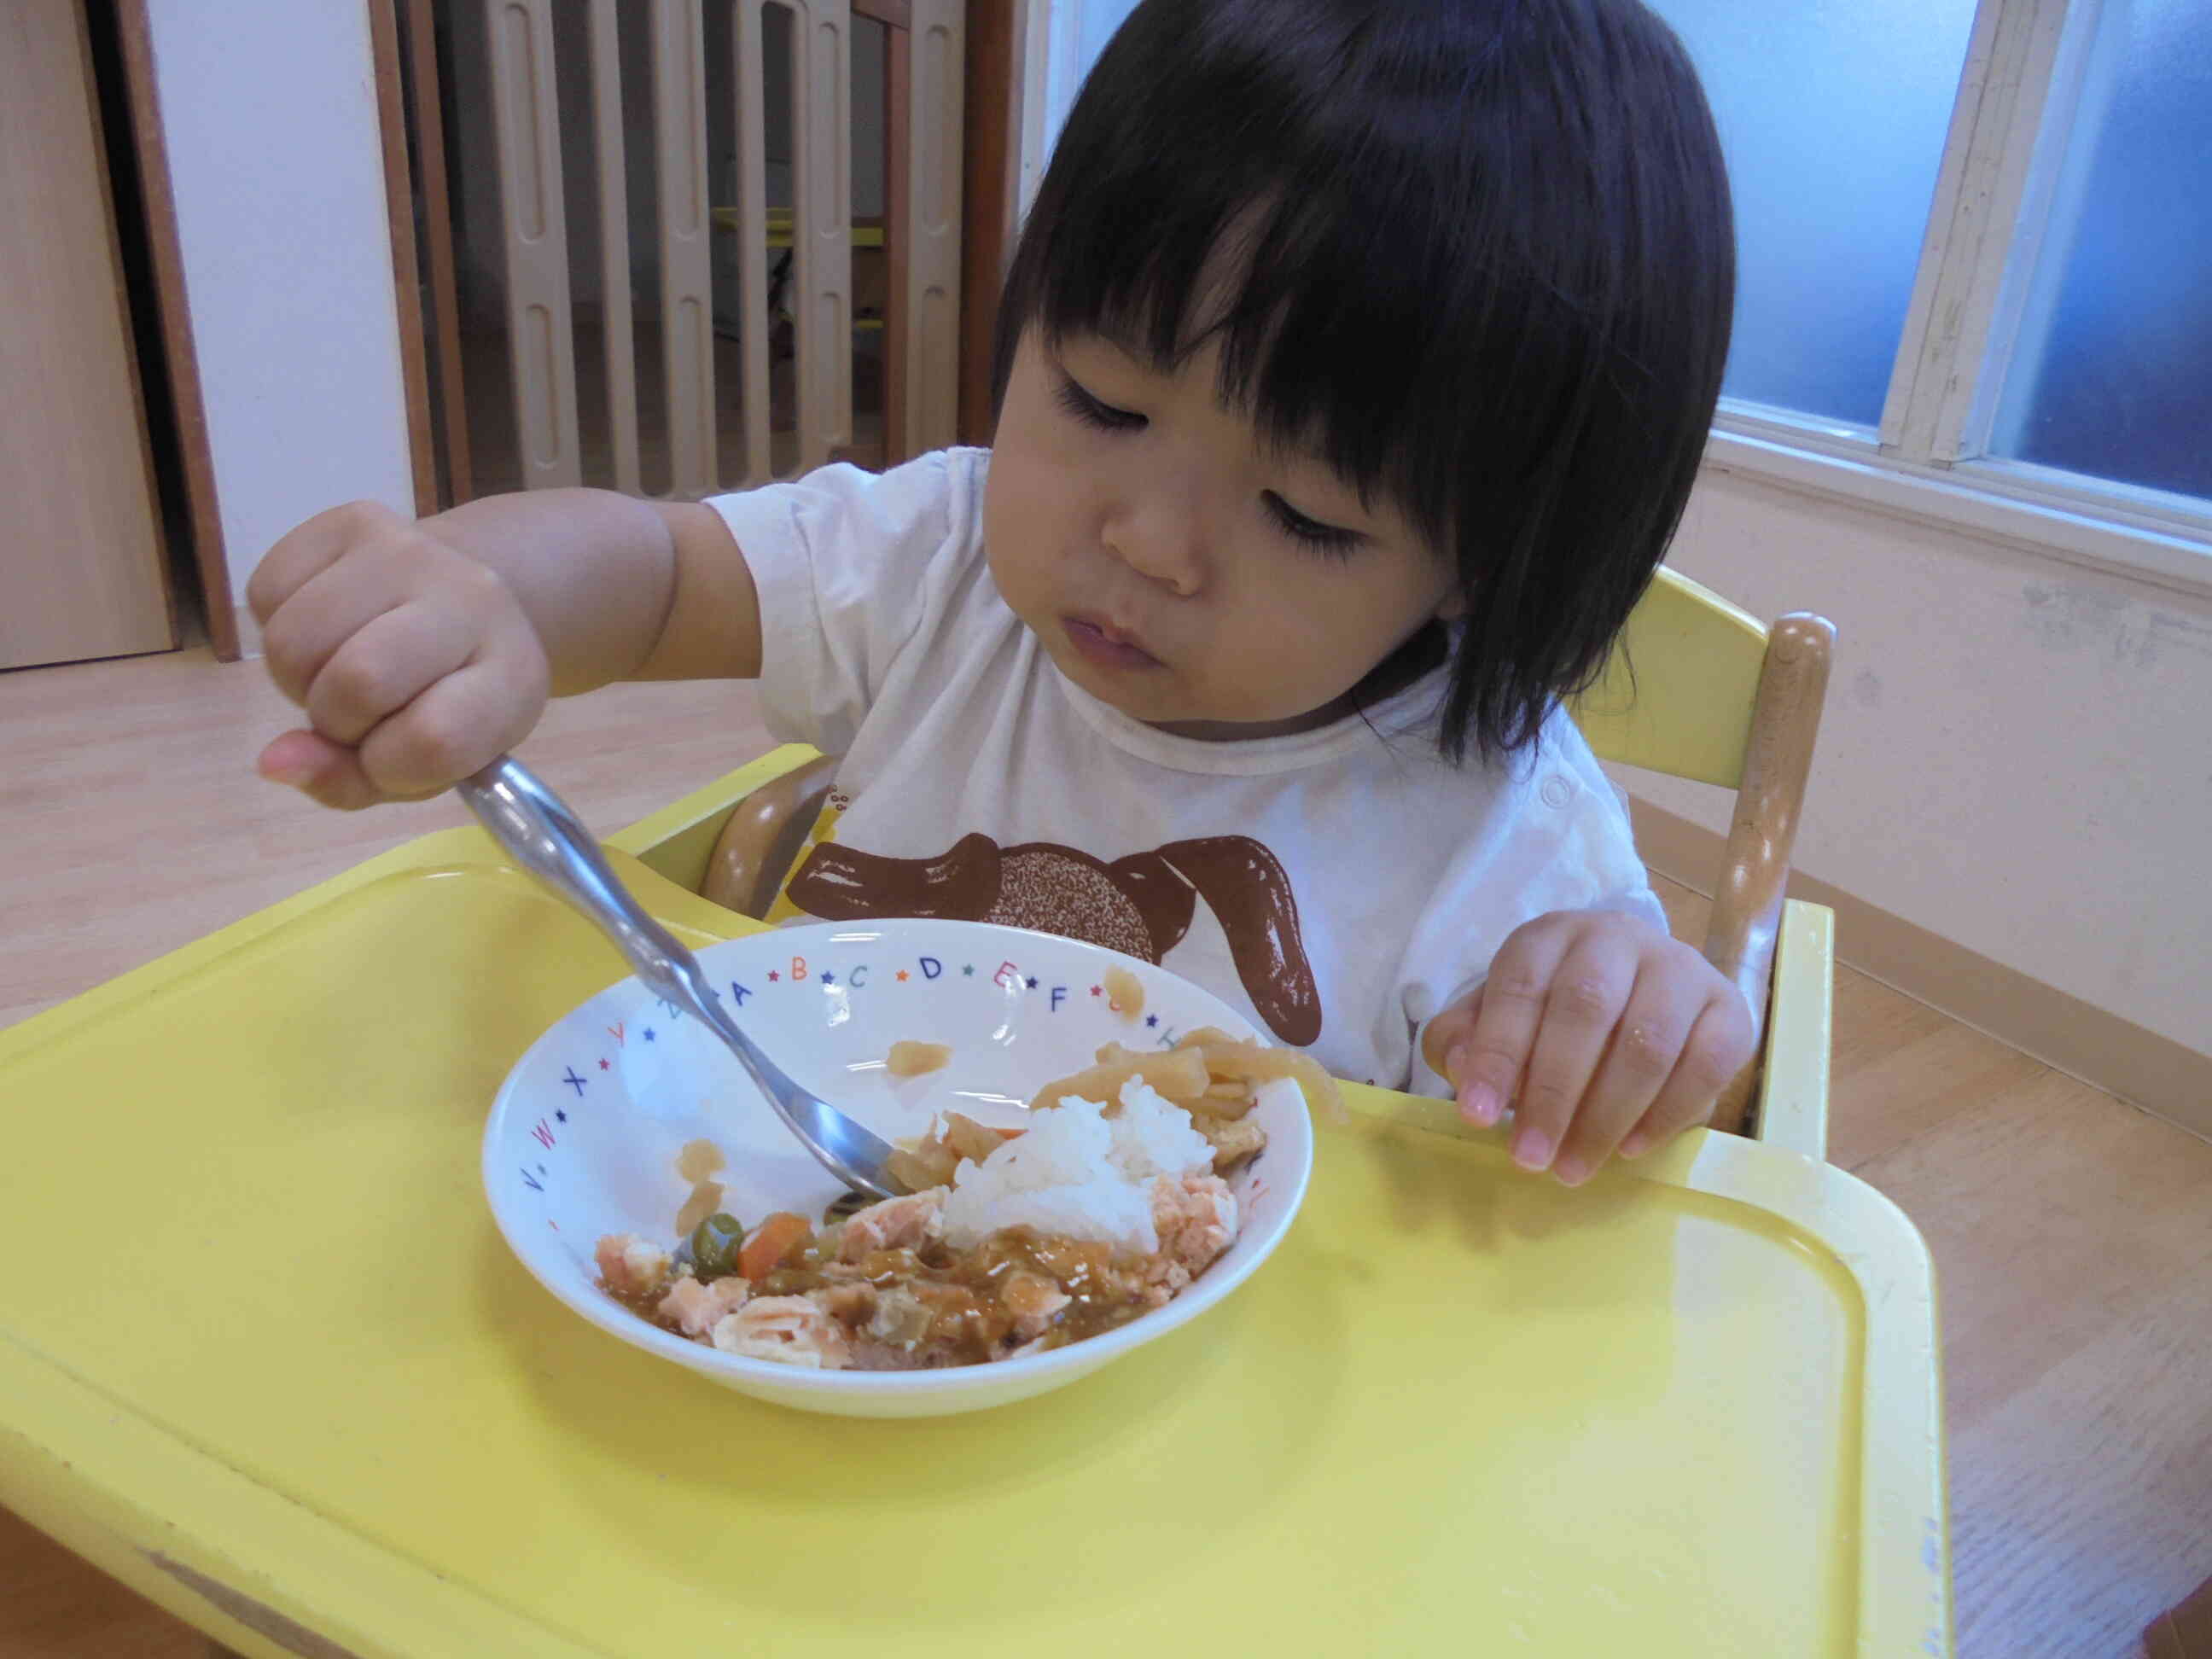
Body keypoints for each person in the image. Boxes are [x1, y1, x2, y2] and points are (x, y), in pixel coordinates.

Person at [247, 0, 1751, 1185]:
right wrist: (483, 597)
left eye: (1302, 511)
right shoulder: (943, 562)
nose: (1150, 543)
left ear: (1481, 567)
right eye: (1101, 401)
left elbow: (1586, 1165)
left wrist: (1622, 1024)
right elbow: (653, 578)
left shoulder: (1501, 839)